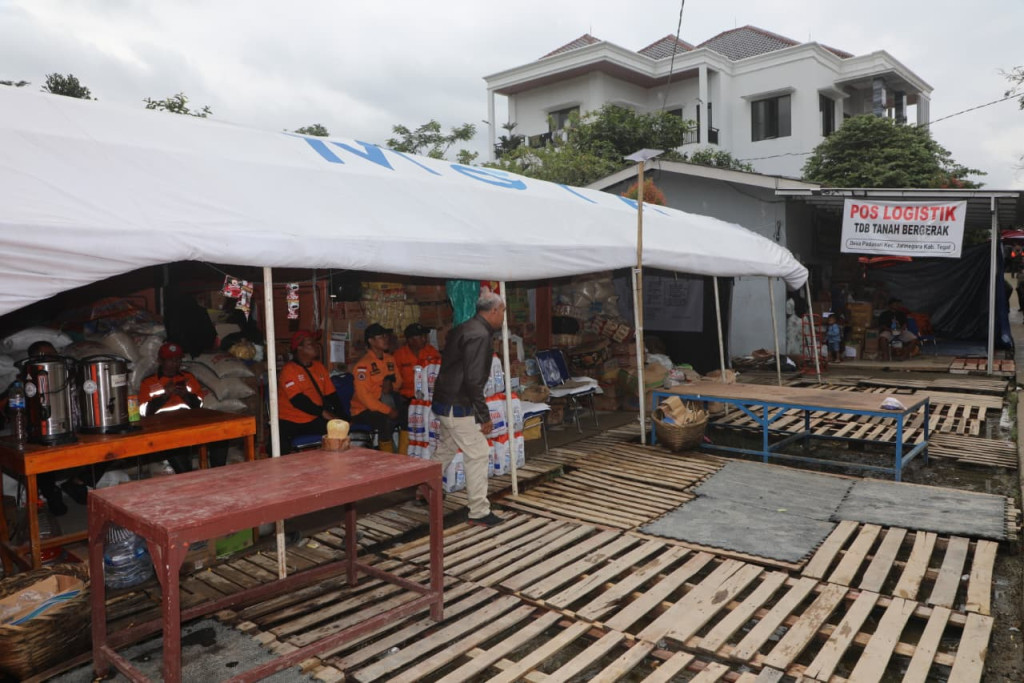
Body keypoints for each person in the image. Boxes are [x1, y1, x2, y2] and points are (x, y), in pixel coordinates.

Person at [431, 290, 506, 527]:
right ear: (494, 311)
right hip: (458, 404)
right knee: (478, 454)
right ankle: (479, 511)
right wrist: (483, 415)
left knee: (446, 448)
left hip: (445, 400)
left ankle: (424, 489)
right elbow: (474, 379)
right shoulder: (480, 335)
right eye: (503, 311)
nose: (504, 316)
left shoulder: (466, 327)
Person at [139, 341, 206, 473]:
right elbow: (144, 411)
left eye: (177, 360)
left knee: (220, 437)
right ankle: (188, 477)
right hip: (163, 427)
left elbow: (200, 406)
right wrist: (165, 395)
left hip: (187, 424)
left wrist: (186, 395)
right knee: (173, 443)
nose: (175, 364)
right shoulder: (149, 382)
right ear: (160, 361)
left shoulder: (188, 378)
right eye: (170, 360)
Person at [277, 330, 343, 453]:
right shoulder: (289, 370)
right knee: (278, 445)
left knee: (340, 433)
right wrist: (322, 412)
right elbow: (298, 400)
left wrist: (343, 417)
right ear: (299, 348)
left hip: (313, 417)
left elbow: (331, 395)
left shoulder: (319, 367)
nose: (315, 346)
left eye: (315, 343)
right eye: (310, 343)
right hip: (291, 419)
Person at [350, 323, 402, 444]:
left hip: (387, 399)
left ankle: (403, 453)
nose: (385, 339)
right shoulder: (363, 366)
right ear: (371, 341)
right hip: (364, 409)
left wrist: (390, 386)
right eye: (381, 337)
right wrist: (388, 410)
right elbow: (365, 398)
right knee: (386, 420)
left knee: (408, 414)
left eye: (386, 335)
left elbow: (399, 381)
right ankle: (386, 455)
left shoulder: (389, 359)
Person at [394, 323, 441, 403]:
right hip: (408, 397)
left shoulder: (431, 351)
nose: (424, 339)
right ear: (410, 340)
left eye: (425, 336)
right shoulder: (399, 355)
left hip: (430, 395)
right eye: (421, 337)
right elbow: (396, 381)